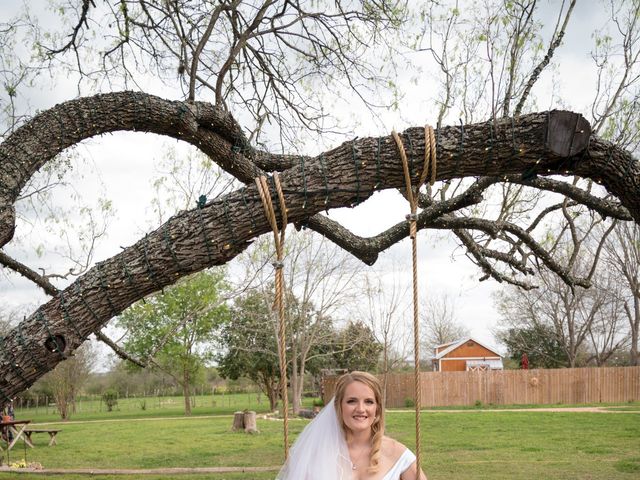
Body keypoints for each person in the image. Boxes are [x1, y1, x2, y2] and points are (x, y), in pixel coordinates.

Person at [276, 371, 427, 480]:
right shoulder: (316, 453)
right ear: (339, 406)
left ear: (377, 408)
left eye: (368, 401)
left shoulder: (397, 453)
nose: (361, 409)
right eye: (351, 401)